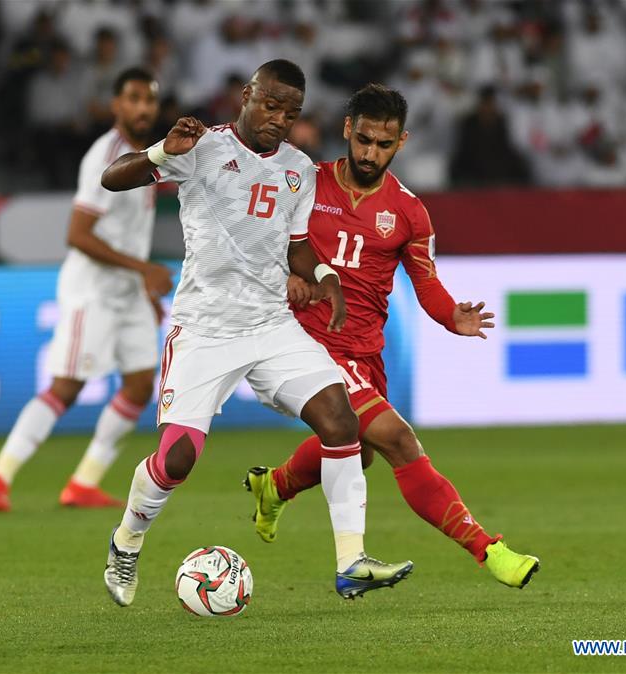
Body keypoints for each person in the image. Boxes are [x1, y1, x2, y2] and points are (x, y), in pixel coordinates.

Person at [99, 59, 412, 607]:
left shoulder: (297, 169)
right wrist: (160, 153)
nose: (279, 118)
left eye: (291, 112)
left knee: (342, 422)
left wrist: (325, 277)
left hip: (270, 324)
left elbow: (297, 245)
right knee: (177, 461)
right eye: (270, 104)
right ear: (247, 95)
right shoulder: (201, 147)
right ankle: (127, 539)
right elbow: (113, 177)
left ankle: (350, 561)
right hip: (204, 330)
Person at [245, 84, 540, 590]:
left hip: (363, 351)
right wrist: (287, 279)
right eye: (362, 140)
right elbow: (260, 242)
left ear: (400, 142)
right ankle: (489, 551)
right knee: (399, 440)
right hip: (305, 341)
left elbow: (424, 280)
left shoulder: (409, 212)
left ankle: (274, 486)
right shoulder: (304, 183)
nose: (369, 154)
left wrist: (452, 316)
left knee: (356, 453)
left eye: (382, 145)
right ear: (347, 130)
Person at [0, 68, 172, 512]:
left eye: (150, 99)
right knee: (67, 386)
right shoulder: (105, 155)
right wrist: (143, 268)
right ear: (116, 105)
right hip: (94, 291)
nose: (143, 107)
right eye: (134, 98)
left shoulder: (146, 158)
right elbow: (79, 234)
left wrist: (143, 285)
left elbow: (126, 235)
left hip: (128, 291)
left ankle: (83, 482)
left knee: (140, 385)